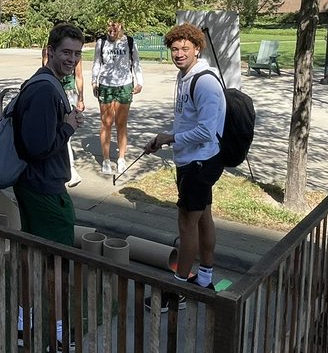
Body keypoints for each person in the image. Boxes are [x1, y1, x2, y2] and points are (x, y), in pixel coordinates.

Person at [143, 23, 227, 300]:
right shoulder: (185, 77)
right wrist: (164, 139)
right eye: (175, 49)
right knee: (203, 218)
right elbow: (187, 121)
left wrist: (170, 138)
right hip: (194, 160)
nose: (179, 54)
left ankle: (178, 289)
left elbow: (206, 131)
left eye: (185, 48)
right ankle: (204, 280)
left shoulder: (204, 82)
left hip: (199, 162)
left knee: (187, 224)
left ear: (197, 49)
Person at [14, 23, 84, 246]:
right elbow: (39, 148)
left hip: (37, 183)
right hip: (42, 186)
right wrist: (68, 127)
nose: (72, 59)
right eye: (66, 52)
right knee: (55, 255)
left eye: (77, 53)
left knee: (35, 251)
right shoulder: (44, 90)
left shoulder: (47, 82)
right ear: (50, 51)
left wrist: (66, 122)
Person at [91, 19, 144, 176]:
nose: (112, 28)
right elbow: (96, 63)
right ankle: (106, 160)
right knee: (106, 123)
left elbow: (136, 63)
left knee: (121, 123)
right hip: (106, 85)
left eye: (115, 24)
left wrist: (140, 81)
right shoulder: (101, 42)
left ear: (121, 25)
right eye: (109, 24)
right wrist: (94, 81)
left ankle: (121, 158)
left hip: (124, 85)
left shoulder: (129, 42)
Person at [41, 43, 85, 187]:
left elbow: (79, 76)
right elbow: (45, 69)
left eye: (76, 53)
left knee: (66, 134)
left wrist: (81, 98)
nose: (72, 57)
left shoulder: (75, 57)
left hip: (69, 93)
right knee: (59, 132)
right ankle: (68, 169)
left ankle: (70, 169)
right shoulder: (47, 51)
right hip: (55, 91)